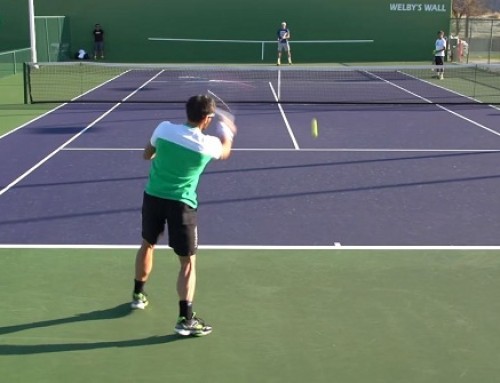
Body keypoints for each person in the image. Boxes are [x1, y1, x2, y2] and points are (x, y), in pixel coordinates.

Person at [131, 95, 237, 337]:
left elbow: (147, 155)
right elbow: (225, 151)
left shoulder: (164, 128)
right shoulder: (208, 145)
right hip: (182, 206)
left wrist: (167, 157)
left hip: (153, 198)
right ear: (207, 119)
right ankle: (185, 318)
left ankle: (138, 294)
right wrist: (228, 132)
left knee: (147, 244)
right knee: (187, 263)